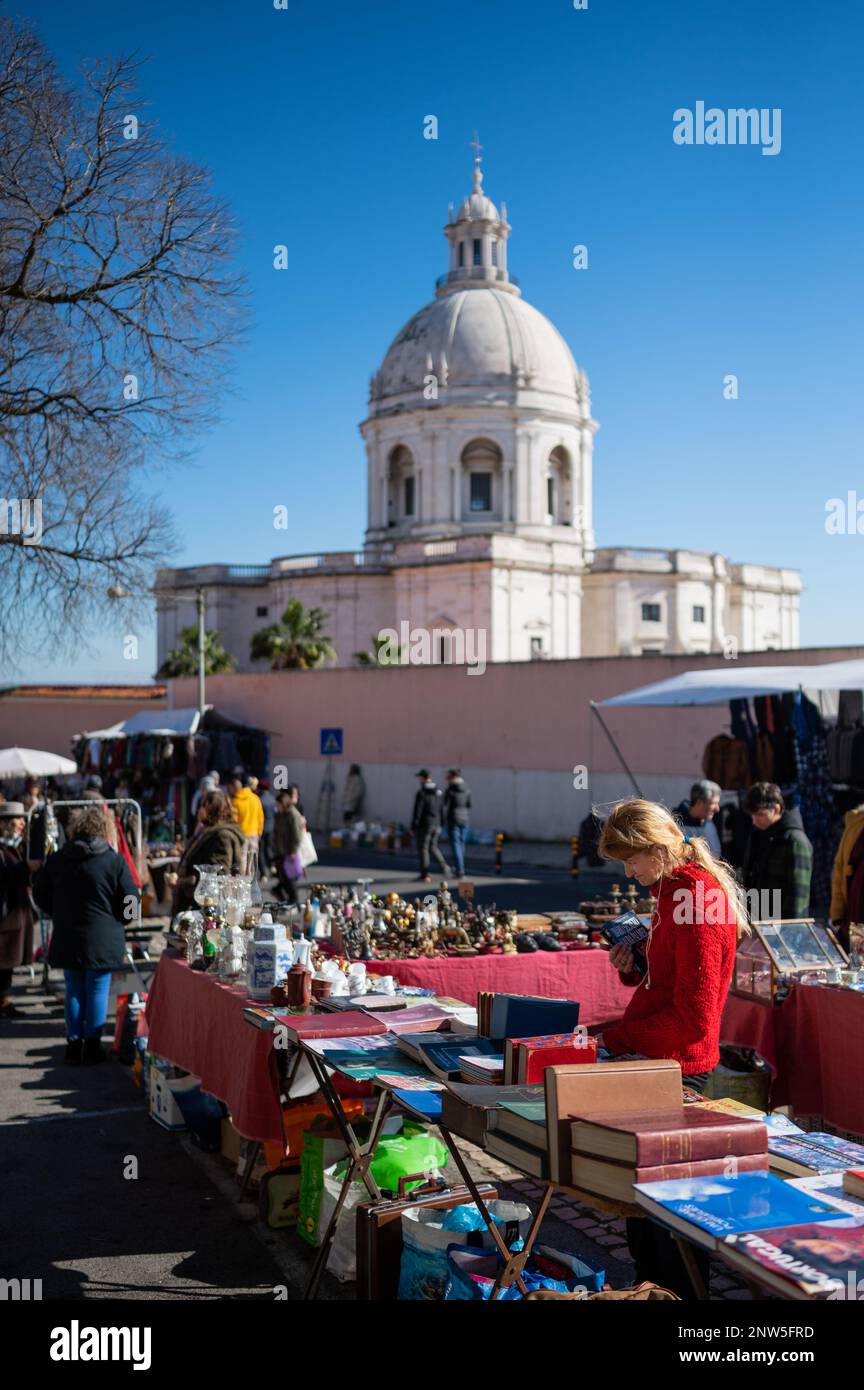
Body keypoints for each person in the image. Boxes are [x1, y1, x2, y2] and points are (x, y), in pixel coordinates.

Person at [595, 798, 747, 1297]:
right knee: (644, 1214)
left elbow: (693, 1017)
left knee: (668, 1219)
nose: (629, 872)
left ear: (656, 848)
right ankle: (650, 1289)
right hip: (660, 1062)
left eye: (631, 859)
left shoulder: (695, 897)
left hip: (675, 1069)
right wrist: (635, 966)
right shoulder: (673, 890)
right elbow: (671, 982)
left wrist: (614, 1038)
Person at [33, 805, 140, 1064]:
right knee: (97, 989)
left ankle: (73, 1044)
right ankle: (92, 1046)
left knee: (74, 989)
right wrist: (124, 919)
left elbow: (39, 894)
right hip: (104, 937)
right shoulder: (114, 860)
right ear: (104, 830)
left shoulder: (57, 859)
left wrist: (55, 911)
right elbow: (132, 898)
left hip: (68, 934)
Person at [742, 782, 813, 921]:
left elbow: (798, 894)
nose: (754, 821)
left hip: (781, 926)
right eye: (752, 815)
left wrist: (789, 930)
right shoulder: (758, 834)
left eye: (760, 814)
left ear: (776, 808)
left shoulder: (795, 840)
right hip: (757, 919)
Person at [169, 790, 247, 913]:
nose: (199, 810)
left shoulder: (222, 835)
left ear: (212, 809)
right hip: (193, 900)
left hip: (204, 906)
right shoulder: (208, 830)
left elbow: (218, 874)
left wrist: (182, 882)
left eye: (203, 806)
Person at [0, 802, 36, 1019]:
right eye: (18, 819)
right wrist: (26, 868)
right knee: (3, 961)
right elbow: (3, 878)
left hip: (15, 914)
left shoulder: (15, 845)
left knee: (7, 964)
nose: (23, 822)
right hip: (5, 917)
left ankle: (4, 1000)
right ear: (4, 823)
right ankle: (3, 1001)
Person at [829, 801, 864, 952]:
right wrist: (837, 912)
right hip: (855, 910)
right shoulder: (856, 823)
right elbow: (840, 867)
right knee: (856, 964)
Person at [411, 770, 450, 882]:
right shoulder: (439, 792)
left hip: (425, 824)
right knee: (433, 846)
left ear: (423, 778)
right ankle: (444, 866)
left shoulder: (422, 793)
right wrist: (442, 823)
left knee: (423, 848)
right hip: (437, 823)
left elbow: (417, 811)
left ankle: (425, 874)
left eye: (420, 778)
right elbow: (443, 809)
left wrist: (414, 826)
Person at [273, 786, 305, 905]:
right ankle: (290, 901)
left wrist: (293, 851)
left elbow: (297, 835)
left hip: (289, 851)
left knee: (290, 878)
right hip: (282, 850)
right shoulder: (281, 814)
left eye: (278, 805)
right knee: (284, 877)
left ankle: (294, 901)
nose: (277, 808)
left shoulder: (292, 814)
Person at [672, 779, 721, 857]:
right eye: (713, 803)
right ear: (699, 802)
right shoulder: (675, 823)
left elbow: (717, 855)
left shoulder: (709, 824)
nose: (717, 809)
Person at [229, 775, 265, 865]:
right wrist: (259, 832)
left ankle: (244, 879)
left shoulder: (235, 801)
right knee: (252, 859)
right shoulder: (256, 798)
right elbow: (260, 817)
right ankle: (252, 878)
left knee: (242, 859)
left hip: (241, 835)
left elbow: (234, 821)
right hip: (254, 834)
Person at [443, 768, 472, 879]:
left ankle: (459, 869)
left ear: (452, 777)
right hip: (465, 818)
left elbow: (445, 804)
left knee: (455, 844)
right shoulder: (466, 788)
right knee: (461, 843)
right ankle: (460, 866)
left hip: (453, 818)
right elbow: (469, 804)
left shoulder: (450, 789)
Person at [258, 778, 277, 875]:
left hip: (261, 827)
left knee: (260, 851)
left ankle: (263, 872)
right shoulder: (273, 799)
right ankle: (272, 866)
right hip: (271, 826)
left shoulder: (260, 800)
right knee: (269, 848)